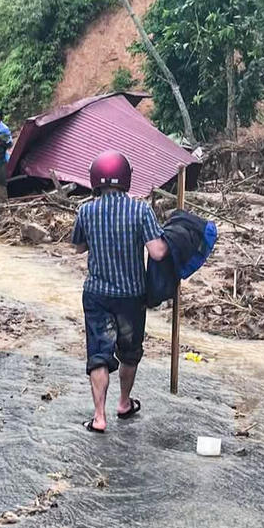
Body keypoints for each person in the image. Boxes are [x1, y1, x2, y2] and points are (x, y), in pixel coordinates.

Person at [71, 150, 169, 432]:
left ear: (96, 179)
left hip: (97, 295)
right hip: (131, 296)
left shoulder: (86, 211)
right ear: (126, 177)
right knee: (129, 352)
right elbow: (158, 252)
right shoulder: (141, 211)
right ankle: (124, 403)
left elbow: (78, 248)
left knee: (98, 354)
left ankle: (99, 417)